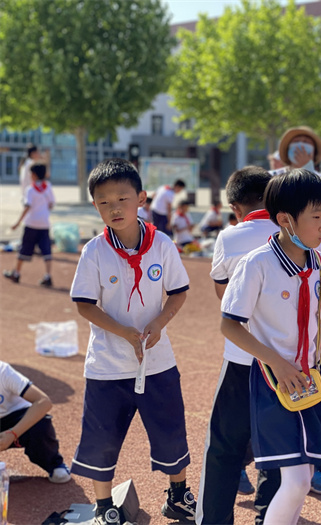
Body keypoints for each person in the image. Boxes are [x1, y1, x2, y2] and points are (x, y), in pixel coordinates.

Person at [69, 159, 196, 525]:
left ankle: (177, 494)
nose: (114, 208)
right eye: (104, 202)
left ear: (141, 198)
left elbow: (178, 292)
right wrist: (123, 331)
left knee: (171, 430)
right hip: (108, 366)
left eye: (122, 199)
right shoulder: (94, 251)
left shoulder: (163, 246)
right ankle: (103, 504)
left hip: (157, 363)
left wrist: (159, 322)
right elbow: (84, 304)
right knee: (101, 438)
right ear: (95, 206)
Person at [221, 169, 321, 525]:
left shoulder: (317, 261)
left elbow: (308, 322)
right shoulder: (257, 264)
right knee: (294, 480)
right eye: (317, 218)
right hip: (275, 380)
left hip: (312, 374)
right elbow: (228, 324)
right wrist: (277, 363)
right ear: (285, 220)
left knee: (304, 478)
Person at [197, 166, 280, 525]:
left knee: (223, 450)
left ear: (235, 208)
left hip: (242, 359)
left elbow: (223, 295)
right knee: (280, 450)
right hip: (288, 362)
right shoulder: (302, 232)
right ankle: (270, 517)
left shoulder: (230, 238)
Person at [0, 360, 71, 484]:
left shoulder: (3, 372)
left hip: (15, 419)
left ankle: (54, 464)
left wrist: (13, 434)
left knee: (40, 425)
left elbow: (43, 401)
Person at [3, 163, 55, 287]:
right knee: (46, 250)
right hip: (44, 224)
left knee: (24, 249)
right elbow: (51, 204)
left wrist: (17, 222)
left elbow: (27, 206)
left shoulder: (30, 189)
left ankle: (16, 273)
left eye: (31, 173)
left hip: (31, 223)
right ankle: (48, 276)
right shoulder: (48, 187)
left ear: (35, 175)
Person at [277, 126, 321, 192]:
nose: (301, 145)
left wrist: (307, 168)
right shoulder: (273, 176)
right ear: (288, 149)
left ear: (314, 152)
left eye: (306, 142)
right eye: (296, 141)